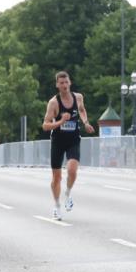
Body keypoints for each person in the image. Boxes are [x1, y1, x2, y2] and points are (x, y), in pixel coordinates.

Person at [42, 71, 95, 220]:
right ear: (57, 85)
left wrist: (85, 122)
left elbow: (82, 110)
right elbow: (45, 125)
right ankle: (57, 206)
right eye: (61, 83)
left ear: (70, 83)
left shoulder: (78, 97)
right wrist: (60, 122)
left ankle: (68, 193)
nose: (64, 85)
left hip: (73, 140)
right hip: (58, 141)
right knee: (56, 177)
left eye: (66, 82)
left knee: (72, 170)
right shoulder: (53, 103)